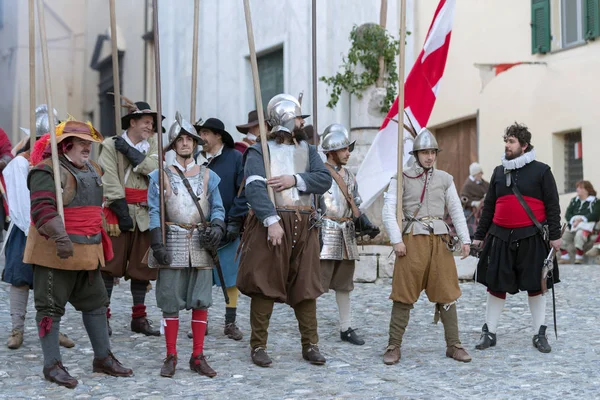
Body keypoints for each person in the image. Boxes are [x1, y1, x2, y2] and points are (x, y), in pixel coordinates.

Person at [23, 120, 132, 388]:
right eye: (81, 143)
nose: (87, 148)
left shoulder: (95, 169)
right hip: (54, 251)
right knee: (49, 308)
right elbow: (42, 209)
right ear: (65, 145)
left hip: (87, 250)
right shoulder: (45, 172)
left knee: (96, 303)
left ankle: (103, 358)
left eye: (88, 143)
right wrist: (60, 237)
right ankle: (51, 365)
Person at [236, 93, 332, 367]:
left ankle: (310, 345)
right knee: (265, 283)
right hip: (274, 223)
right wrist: (270, 220)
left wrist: (294, 179)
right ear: (288, 119)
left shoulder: (308, 150)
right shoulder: (259, 150)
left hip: (305, 223)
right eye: (299, 117)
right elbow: (254, 186)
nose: (302, 122)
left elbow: (323, 179)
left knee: (305, 284)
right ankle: (258, 346)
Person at [381, 128, 472, 365]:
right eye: (425, 152)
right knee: (403, 294)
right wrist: (396, 240)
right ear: (416, 153)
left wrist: (465, 239)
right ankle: (394, 345)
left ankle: (454, 344)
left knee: (447, 292)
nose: (429, 156)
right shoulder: (400, 177)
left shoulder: (445, 178)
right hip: (412, 241)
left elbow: (455, 209)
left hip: (440, 242)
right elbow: (388, 211)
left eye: (432, 152)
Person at [472, 123, 562, 354]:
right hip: (500, 237)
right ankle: (489, 332)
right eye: (506, 141)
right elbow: (489, 206)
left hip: (532, 237)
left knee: (536, 285)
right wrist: (479, 236)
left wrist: (554, 236)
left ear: (524, 145)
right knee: (495, 285)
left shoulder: (542, 171)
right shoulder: (498, 172)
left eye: (511, 141)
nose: (507, 145)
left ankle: (539, 332)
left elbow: (552, 205)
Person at [148, 113, 225, 378]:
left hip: (201, 243)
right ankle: (171, 355)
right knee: (170, 300)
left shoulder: (209, 176)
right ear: (172, 145)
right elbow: (154, 211)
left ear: (195, 143)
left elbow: (218, 207)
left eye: (189, 139)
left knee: (201, 301)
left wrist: (216, 226)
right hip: (172, 241)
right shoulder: (160, 176)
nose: (184, 143)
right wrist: (157, 241)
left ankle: (197, 356)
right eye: (179, 139)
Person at [2, 106, 74, 350]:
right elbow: (19, 205)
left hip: (52, 227)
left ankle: (53, 328)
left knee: (52, 281)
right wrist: (36, 227)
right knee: (20, 279)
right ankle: (17, 329)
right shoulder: (19, 165)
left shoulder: (60, 164)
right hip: (26, 229)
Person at [98, 100, 162, 336]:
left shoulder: (155, 143)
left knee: (141, 268)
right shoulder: (109, 145)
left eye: (152, 124)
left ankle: (139, 317)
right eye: (146, 122)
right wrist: (120, 208)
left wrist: (131, 153)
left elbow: (155, 169)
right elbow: (109, 178)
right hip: (117, 212)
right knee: (109, 267)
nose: (150, 127)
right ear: (132, 122)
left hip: (145, 214)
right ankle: (102, 317)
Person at [318, 123, 380, 346]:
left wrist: (366, 224)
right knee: (315, 284)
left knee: (344, 285)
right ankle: (308, 330)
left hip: (346, 233)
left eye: (348, 149)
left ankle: (346, 327)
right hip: (324, 234)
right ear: (331, 152)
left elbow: (355, 204)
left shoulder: (350, 176)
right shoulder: (319, 173)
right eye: (344, 149)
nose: (348, 153)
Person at [195, 117, 248, 340]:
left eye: (206, 133)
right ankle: (201, 322)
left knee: (230, 275)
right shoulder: (195, 160)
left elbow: (242, 191)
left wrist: (234, 221)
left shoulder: (236, 158)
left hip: (228, 225)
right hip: (200, 227)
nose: (202, 138)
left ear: (218, 136)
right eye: (201, 133)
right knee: (202, 276)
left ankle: (230, 322)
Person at [558, 180, 600, 264]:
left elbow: (595, 214)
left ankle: (579, 257)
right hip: (573, 225)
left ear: (587, 190)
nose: (577, 189)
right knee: (560, 235)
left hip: (586, 226)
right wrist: (573, 220)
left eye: (580, 188)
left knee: (579, 234)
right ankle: (565, 256)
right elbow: (568, 214)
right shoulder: (574, 200)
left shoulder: (595, 201)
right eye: (577, 187)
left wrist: (581, 219)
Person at [459, 162, 489, 238]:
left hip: (483, 209)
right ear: (474, 174)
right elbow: (463, 199)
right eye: (479, 173)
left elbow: (488, 189)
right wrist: (474, 203)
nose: (481, 175)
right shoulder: (468, 185)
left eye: (481, 173)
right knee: (473, 230)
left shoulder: (483, 183)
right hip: (471, 211)